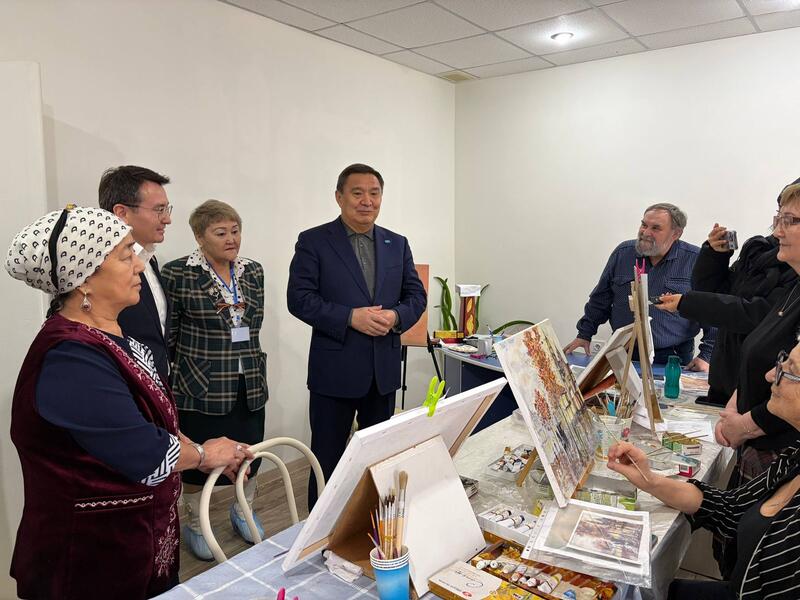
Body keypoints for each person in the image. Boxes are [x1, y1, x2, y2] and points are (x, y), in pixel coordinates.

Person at [5, 205, 251, 599]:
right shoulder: (70, 358)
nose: (139, 265)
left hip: (136, 544)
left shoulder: (116, 339)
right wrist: (204, 454)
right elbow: (144, 452)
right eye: (125, 255)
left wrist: (198, 450)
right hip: (89, 562)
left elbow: (156, 422)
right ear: (84, 279)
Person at [656, 182, 800, 577]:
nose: (777, 229)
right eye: (778, 216)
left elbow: (748, 314)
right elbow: (757, 342)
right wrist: (715, 256)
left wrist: (747, 422)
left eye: (789, 220)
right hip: (753, 423)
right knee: (737, 541)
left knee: (755, 557)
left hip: (771, 435)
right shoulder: (766, 259)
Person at [606, 339, 800, 599]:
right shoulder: (794, 456)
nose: (770, 375)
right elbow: (729, 508)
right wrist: (649, 479)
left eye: (790, 371)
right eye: (782, 361)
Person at [287, 163, 427, 509]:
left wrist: (395, 316)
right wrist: (350, 317)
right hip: (334, 373)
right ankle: (320, 530)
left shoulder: (397, 243)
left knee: (379, 457)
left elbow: (416, 296)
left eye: (374, 193)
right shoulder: (314, 241)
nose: (367, 201)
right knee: (327, 459)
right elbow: (299, 299)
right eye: (357, 193)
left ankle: (373, 521)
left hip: (383, 372)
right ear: (339, 197)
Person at [161, 200, 268, 560]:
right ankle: (196, 522)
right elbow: (169, 333)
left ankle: (243, 509)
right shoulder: (179, 274)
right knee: (197, 459)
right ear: (199, 236)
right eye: (221, 233)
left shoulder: (253, 271)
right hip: (199, 383)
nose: (231, 239)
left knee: (249, 452)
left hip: (248, 379)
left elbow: (253, 324)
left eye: (235, 231)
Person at [563, 203, 715, 369]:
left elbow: (710, 310)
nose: (646, 232)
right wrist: (584, 334)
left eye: (656, 228)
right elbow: (601, 299)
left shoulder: (695, 260)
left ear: (676, 233)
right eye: (644, 225)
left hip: (673, 355)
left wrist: (706, 355)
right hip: (622, 351)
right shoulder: (623, 253)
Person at [99, 165, 173, 385]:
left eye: (167, 209)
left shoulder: (149, 258)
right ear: (122, 213)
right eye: (159, 210)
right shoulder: (101, 270)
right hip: (126, 387)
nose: (167, 219)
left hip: (158, 387)